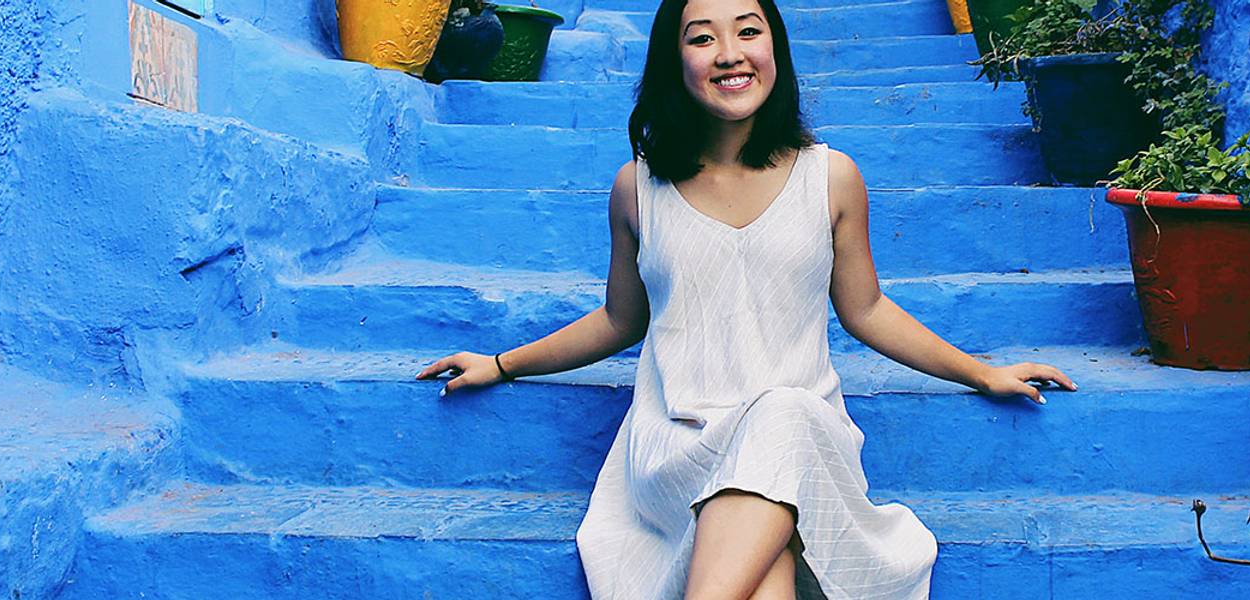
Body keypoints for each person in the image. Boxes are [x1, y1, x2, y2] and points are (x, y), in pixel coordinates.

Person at [417, 0, 1075, 595]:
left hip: (801, 435)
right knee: (769, 563)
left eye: (749, 32)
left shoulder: (831, 177)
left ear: (775, 52)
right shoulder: (637, 189)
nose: (730, 53)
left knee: (783, 417)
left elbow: (867, 310)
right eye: (703, 38)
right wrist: (502, 364)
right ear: (675, 62)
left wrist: (983, 372)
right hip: (679, 443)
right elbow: (621, 320)